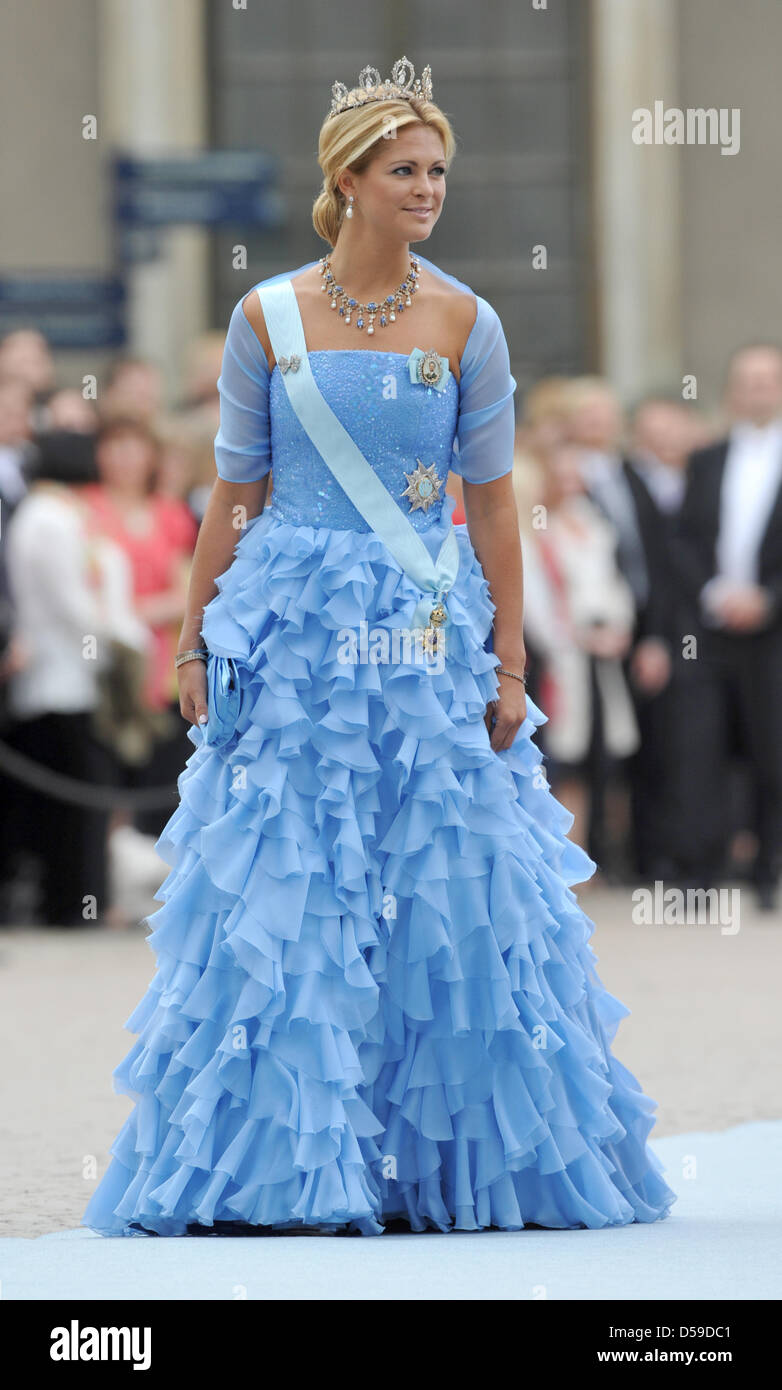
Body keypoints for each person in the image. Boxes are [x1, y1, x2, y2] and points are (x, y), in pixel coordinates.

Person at [82, 58, 676, 1237]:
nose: (428, 189)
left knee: (450, 878)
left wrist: (509, 664)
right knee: (288, 878)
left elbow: (493, 505)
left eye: (438, 171)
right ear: (346, 180)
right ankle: (282, 1170)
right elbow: (234, 494)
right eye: (404, 170)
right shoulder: (265, 316)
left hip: (422, 628)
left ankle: (462, 1162)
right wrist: (195, 639)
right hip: (289, 631)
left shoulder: (466, 319)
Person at [669, 344, 782, 910]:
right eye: (747, 379)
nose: (757, 388)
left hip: (774, 630)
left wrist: (768, 600)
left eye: (768, 379)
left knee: (772, 747)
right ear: (732, 390)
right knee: (702, 747)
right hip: (709, 628)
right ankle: (700, 871)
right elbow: (684, 540)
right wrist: (713, 593)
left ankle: (769, 869)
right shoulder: (707, 458)